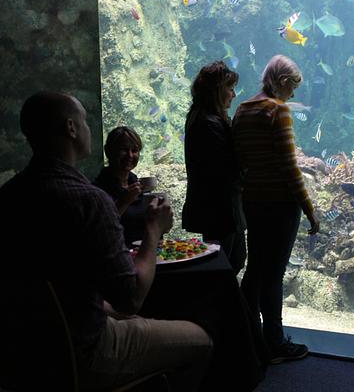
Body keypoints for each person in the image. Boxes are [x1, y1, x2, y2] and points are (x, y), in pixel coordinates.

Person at [0, 91, 212, 391]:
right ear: (71, 128)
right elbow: (130, 298)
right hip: (85, 351)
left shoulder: (9, 195)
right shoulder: (89, 200)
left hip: (24, 353)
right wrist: (154, 229)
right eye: (85, 121)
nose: (88, 129)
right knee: (201, 340)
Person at [232, 55, 319, 364]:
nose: (293, 95)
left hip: (252, 202)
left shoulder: (241, 111)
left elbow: (240, 162)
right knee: (273, 274)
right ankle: (275, 342)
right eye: (292, 87)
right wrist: (309, 209)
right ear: (282, 82)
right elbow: (289, 168)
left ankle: (245, 336)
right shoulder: (277, 111)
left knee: (255, 268)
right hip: (281, 205)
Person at [182, 60, 247, 274]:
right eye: (230, 88)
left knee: (229, 261)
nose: (234, 94)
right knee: (223, 266)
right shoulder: (209, 123)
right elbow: (228, 168)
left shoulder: (200, 117)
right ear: (216, 91)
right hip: (221, 211)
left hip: (217, 211)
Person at [93, 126, 146, 246]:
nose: (130, 155)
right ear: (108, 151)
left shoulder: (137, 184)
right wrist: (124, 201)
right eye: (123, 149)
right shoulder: (98, 190)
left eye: (135, 150)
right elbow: (99, 230)